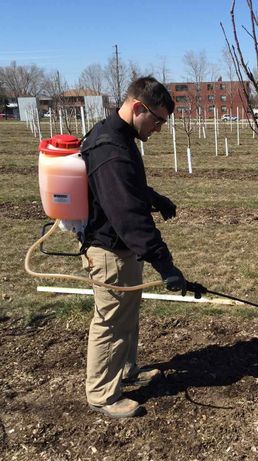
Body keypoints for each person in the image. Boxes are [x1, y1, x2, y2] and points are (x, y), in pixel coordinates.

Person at [80, 76, 186, 418]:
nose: (158, 128)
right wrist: (166, 266)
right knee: (110, 321)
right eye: (157, 120)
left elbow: (128, 188)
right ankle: (102, 394)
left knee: (127, 314)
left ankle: (126, 369)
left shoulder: (121, 136)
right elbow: (129, 219)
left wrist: (153, 197)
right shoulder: (111, 149)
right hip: (109, 249)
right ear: (138, 107)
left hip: (121, 247)